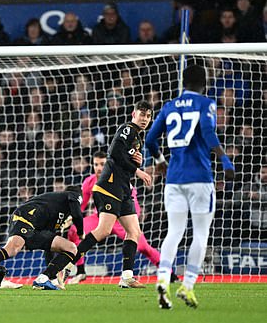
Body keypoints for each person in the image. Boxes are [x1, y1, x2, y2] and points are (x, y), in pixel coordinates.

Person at [145, 64, 235, 309]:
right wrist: (225, 159)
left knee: (174, 231)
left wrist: (161, 161)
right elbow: (207, 132)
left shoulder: (168, 106)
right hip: (199, 178)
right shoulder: (206, 103)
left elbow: (150, 139)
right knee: (201, 233)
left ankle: (163, 277)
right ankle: (188, 285)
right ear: (204, 84)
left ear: (183, 83)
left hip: (174, 179)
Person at [71, 101, 154, 289]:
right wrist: (137, 170)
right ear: (134, 114)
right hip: (110, 188)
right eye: (142, 115)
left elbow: (124, 157)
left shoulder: (137, 139)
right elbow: (115, 152)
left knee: (134, 232)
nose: (144, 119)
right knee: (103, 231)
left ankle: (126, 276)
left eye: (148, 116)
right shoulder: (128, 128)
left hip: (123, 190)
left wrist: (136, 162)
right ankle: (65, 264)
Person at [67, 151, 167, 284]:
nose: (98, 168)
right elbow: (82, 205)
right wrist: (72, 217)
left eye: (102, 164)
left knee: (142, 246)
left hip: (121, 220)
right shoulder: (89, 181)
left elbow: (133, 203)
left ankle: (169, 273)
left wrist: (133, 220)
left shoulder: (119, 179)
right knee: (74, 230)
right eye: (96, 164)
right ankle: (80, 272)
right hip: (101, 218)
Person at [0, 186, 84, 294]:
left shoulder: (56, 209)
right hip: (25, 220)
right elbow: (77, 214)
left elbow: (49, 247)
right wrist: (81, 232)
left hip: (28, 224)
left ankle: (44, 278)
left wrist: (52, 278)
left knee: (69, 247)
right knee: (12, 249)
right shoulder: (73, 196)